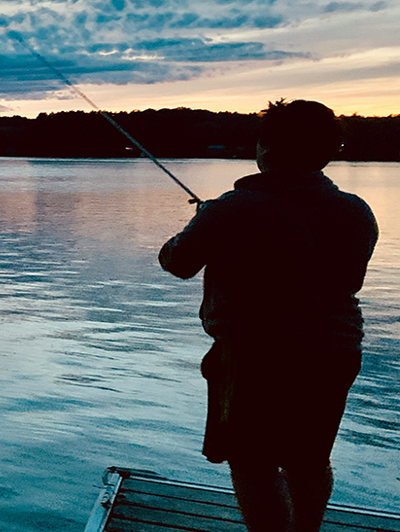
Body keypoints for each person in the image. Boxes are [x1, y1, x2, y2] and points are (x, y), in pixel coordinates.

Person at [158, 99, 378, 532]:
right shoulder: (356, 211)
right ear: (327, 152)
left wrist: (204, 221)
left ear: (266, 149)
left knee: (252, 462)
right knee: (309, 459)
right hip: (334, 352)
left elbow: (177, 263)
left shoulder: (233, 208)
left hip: (252, 356)